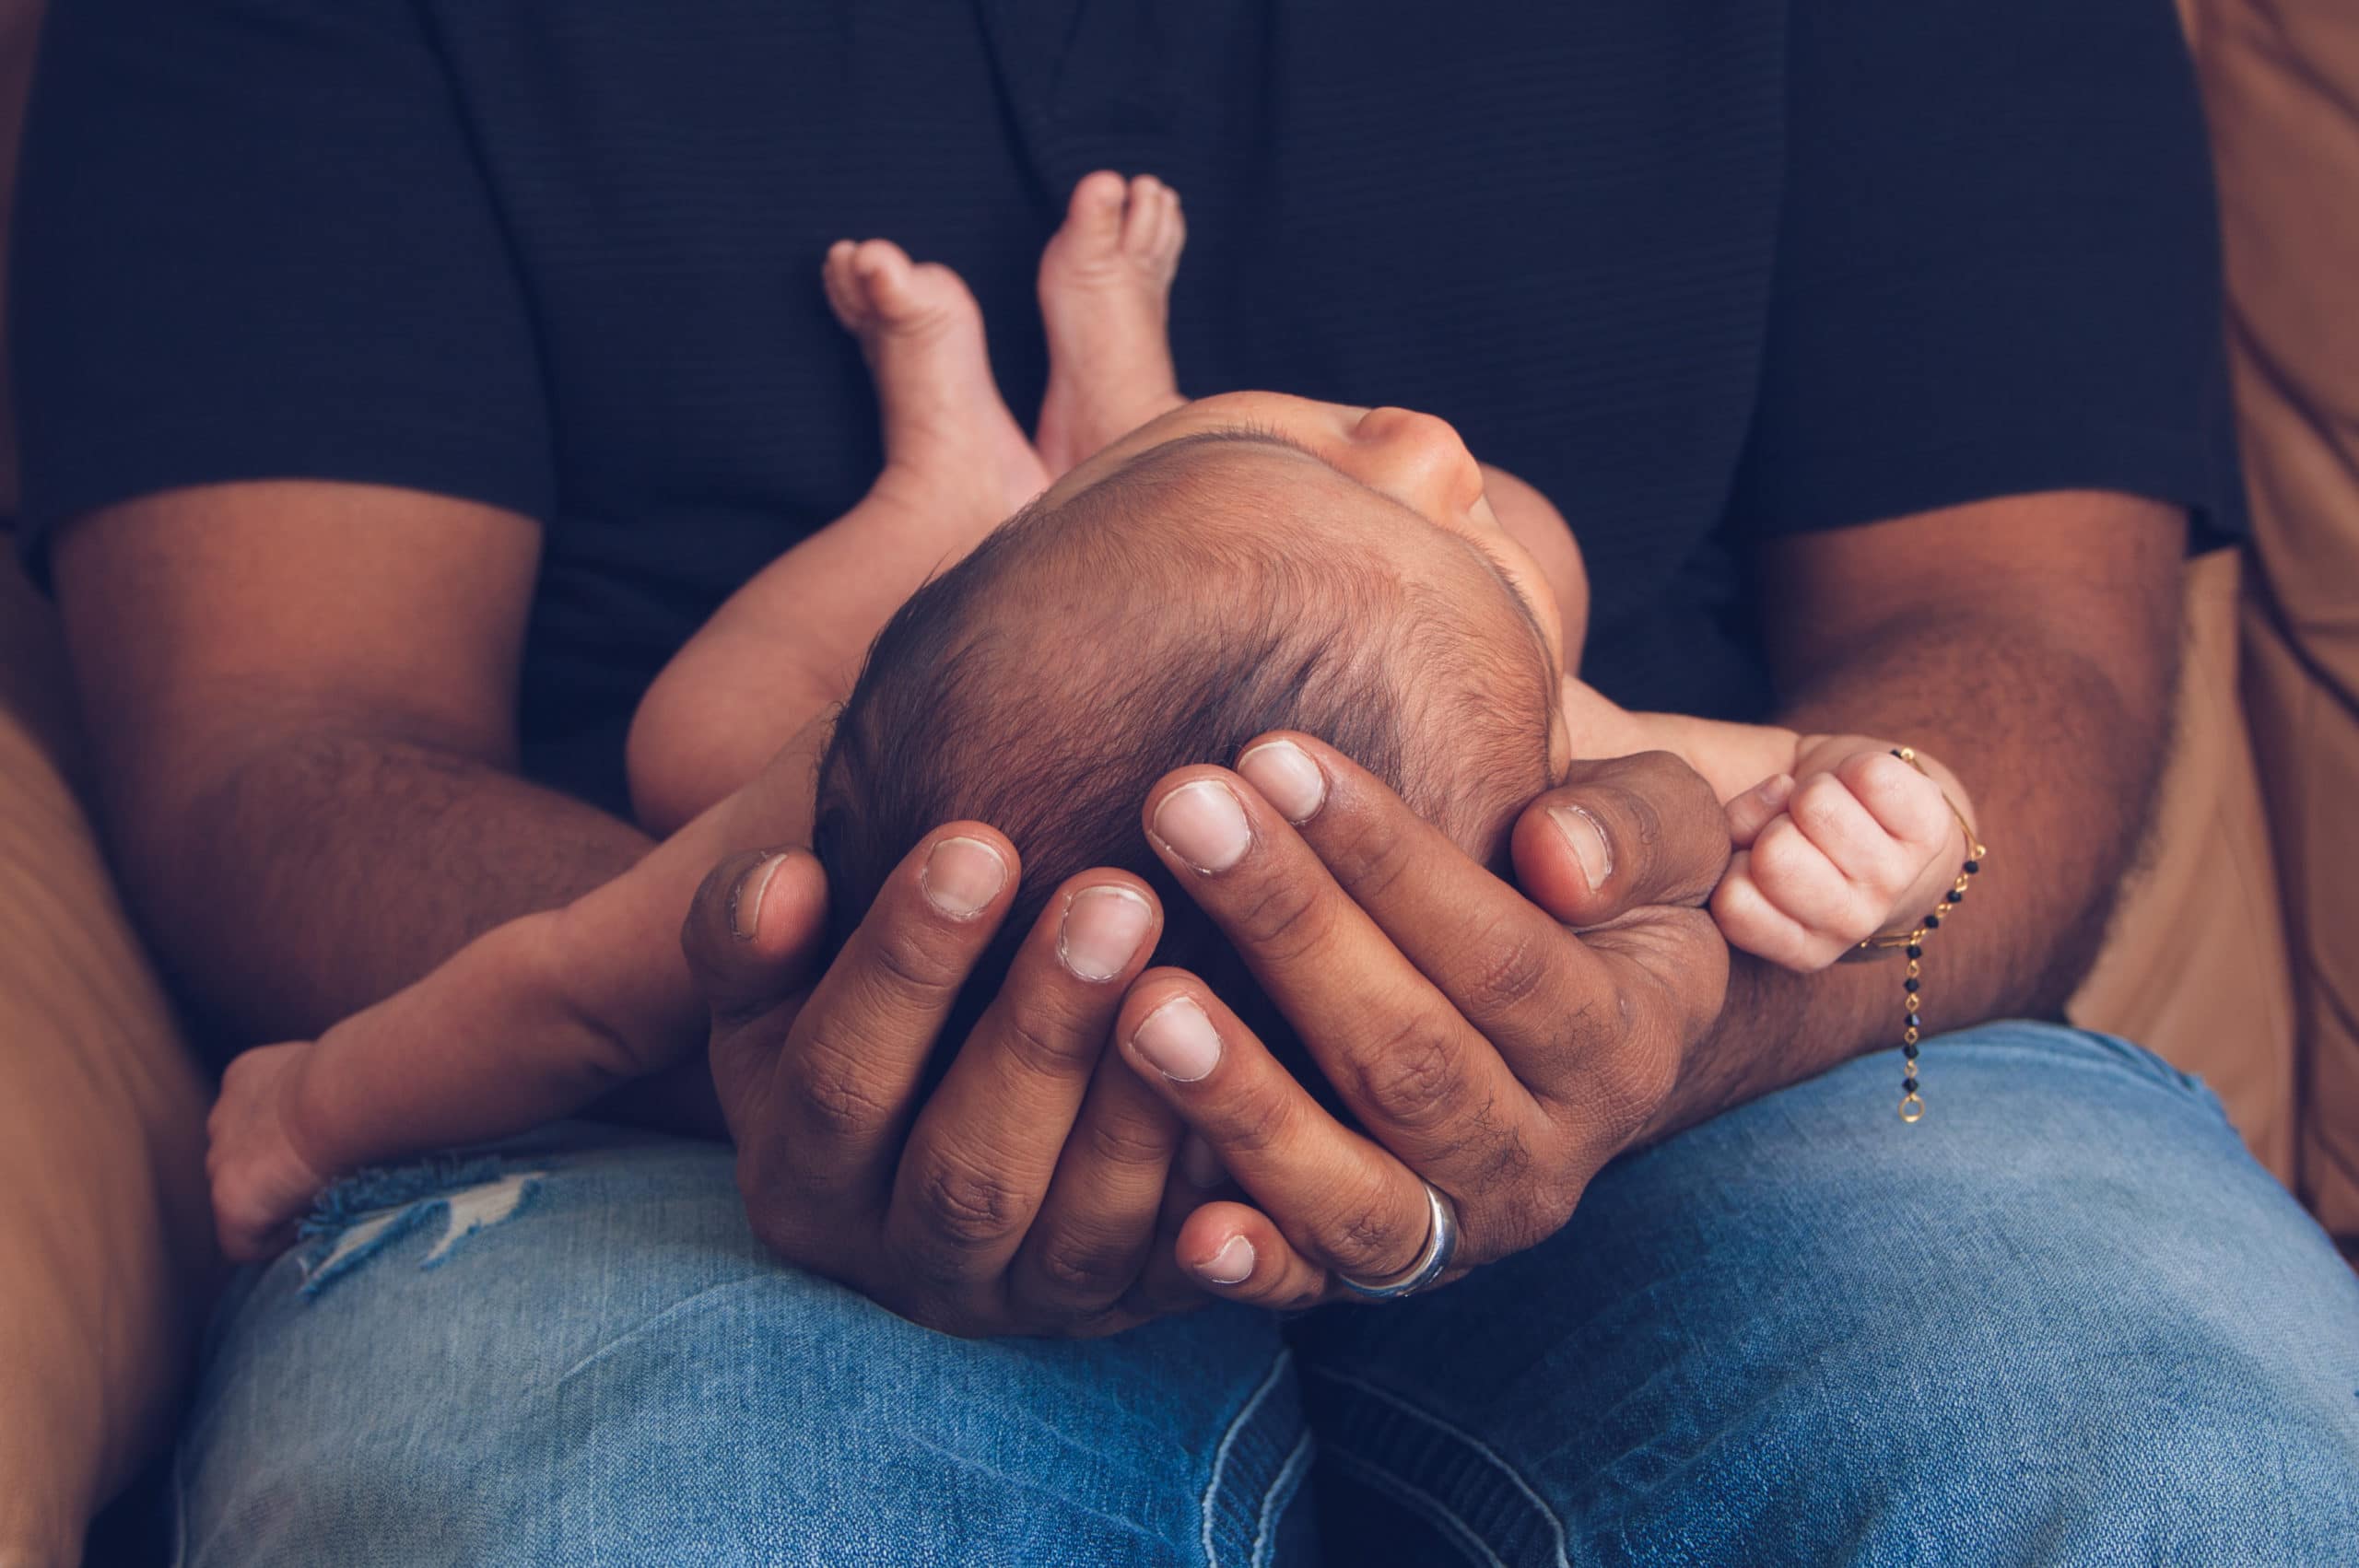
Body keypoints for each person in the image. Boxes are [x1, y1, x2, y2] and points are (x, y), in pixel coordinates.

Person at [16, 0, 2359, 1561]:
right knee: (637, 1509)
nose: (1411, 448)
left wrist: (1735, 963)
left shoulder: (1576, 779)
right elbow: (287, 750)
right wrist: (817, 1004)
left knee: (2174, 1452)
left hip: (1740, 1064)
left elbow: (2000, 675)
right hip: (739, 1104)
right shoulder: (774, 873)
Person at [203, 193, 1968, 1260]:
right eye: (1480, 557)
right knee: (1445, 555)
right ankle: (1106, 410)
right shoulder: (1554, 781)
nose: (1426, 442)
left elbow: (558, 991)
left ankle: (959, 469)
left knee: (691, 744)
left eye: (1281, 443)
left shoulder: (816, 803)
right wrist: (1868, 832)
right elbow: (1882, 808)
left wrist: (305, 1114)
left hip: (1001, 648)